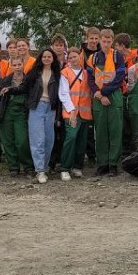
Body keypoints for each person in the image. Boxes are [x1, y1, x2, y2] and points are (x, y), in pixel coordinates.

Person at [8, 48, 62, 184]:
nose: (47, 59)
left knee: (49, 139)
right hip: (37, 107)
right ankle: (40, 171)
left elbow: (61, 94)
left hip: (51, 109)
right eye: (44, 56)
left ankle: (44, 166)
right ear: (41, 58)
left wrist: (58, 113)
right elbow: (24, 88)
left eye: (49, 56)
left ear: (53, 58)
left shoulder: (57, 74)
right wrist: (11, 89)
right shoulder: (34, 73)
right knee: (38, 139)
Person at [88, 28, 126, 176]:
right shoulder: (93, 58)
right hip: (98, 98)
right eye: (103, 41)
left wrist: (104, 92)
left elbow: (119, 78)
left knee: (115, 132)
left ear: (112, 41)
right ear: (99, 41)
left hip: (113, 96)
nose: (105, 43)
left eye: (108, 41)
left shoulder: (118, 56)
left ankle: (113, 164)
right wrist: (98, 94)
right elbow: (90, 79)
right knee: (101, 132)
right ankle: (102, 164)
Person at [58, 47, 92, 181]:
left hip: (85, 112)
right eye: (70, 57)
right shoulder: (65, 73)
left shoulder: (87, 73)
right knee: (71, 138)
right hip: (71, 112)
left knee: (82, 140)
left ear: (80, 57)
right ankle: (65, 168)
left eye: (75, 56)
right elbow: (64, 93)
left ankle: (77, 166)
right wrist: (72, 110)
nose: (73, 59)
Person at [0, 58, 33, 176]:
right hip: (6, 112)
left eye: (19, 64)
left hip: (22, 113)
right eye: (14, 65)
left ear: (23, 65)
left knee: (22, 141)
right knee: (8, 141)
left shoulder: (28, 80)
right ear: (11, 66)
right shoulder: (5, 80)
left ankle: (28, 166)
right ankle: (13, 167)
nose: (17, 66)